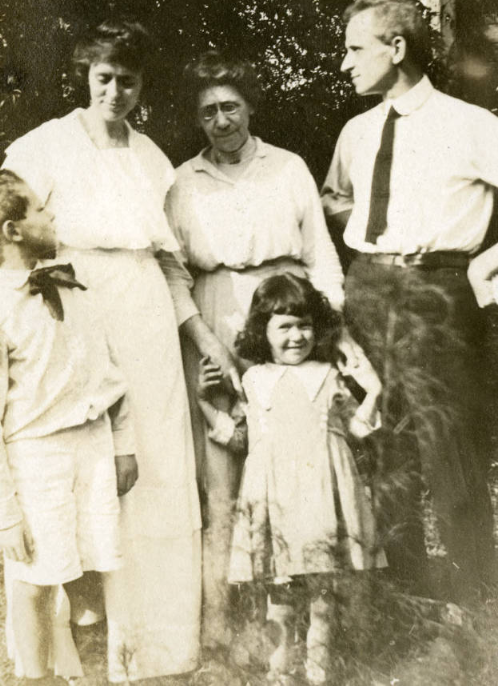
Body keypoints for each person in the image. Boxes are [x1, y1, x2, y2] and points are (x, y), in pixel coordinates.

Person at [0, 20, 201, 683]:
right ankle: (49, 650)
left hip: (144, 317)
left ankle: (151, 647)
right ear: (85, 77)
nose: (115, 91)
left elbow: (172, 263)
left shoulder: (153, 158)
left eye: (128, 79)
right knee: (61, 471)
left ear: (142, 84)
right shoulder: (43, 146)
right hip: (69, 309)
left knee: (147, 469)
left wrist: (201, 340)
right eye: (104, 77)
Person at [165, 51, 350, 648]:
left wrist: (328, 333)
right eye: (209, 112)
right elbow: (172, 271)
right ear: (198, 120)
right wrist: (204, 338)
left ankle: (308, 625)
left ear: (249, 108)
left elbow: (322, 256)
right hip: (215, 316)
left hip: (286, 321)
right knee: (221, 475)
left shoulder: (288, 167)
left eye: (231, 107)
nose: (221, 121)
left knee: (296, 474)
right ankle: (221, 624)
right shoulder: (182, 181)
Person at [321, 0, 497, 602]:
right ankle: (409, 586)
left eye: (355, 49)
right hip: (369, 287)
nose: (344, 64)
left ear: (396, 49)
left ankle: (478, 597)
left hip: (437, 293)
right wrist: (375, 236)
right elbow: (334, 198)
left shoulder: (471, 125)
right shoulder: (356, 131)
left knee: (448, 441)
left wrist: (487, 261)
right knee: (382, 436)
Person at [0, 169, 137, 685]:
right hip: (36, 459)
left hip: (94, 449)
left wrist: (122, 443)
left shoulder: (74, 286)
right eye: (40, 209)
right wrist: (5, 516)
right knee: (34, 579)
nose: (52, 215)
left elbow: (111, 372)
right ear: (13, 231)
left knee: (93, 565)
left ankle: (90, 671)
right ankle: (33, 677)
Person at [197, 273, 386, 684]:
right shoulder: (253, 380)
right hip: (276, 503)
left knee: (321, 598)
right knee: (279, 600)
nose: (297, 336)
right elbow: (239, 437)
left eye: (304, 325)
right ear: (263, 332)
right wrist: (206, 403)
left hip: (319, 499)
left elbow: (356, 430)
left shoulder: (328, 376)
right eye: (284, 326)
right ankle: (279, 674)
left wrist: (372, 392)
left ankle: (318, 672)